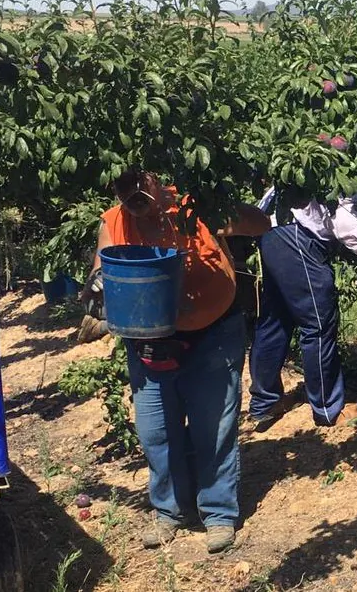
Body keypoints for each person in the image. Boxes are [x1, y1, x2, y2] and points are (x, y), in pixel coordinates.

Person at [84, 166, 270, 554]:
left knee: (213, 427)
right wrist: (97, 290)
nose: (132, 193)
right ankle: (168, 511)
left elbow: (260, 224)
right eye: (122, 187)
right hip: (149, 341)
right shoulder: (115, 221)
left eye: (139, 182)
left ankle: (218, 513)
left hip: (211, 332)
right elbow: (103, 266)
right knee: (156, 431)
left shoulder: (193, 207)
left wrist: (221, 212)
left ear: (155, 177)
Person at [248, 178, 357, 430]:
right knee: (318, 323)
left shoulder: (345, 159)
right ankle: (328, 410)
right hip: (298, 236)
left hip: (272, 229)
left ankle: (265, 403)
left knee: (276, 318)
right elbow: (336, 213)